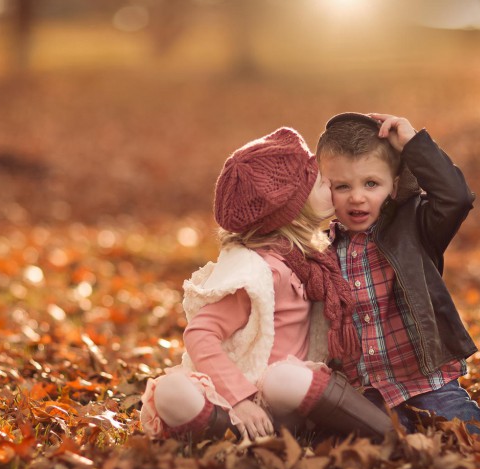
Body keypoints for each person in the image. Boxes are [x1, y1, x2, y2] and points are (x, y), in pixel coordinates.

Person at [316, 112, 480, 448]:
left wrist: (414, 145)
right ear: (325, 189)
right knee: (382, 443)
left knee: (469, 436)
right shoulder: (320, 248)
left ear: (394, 184)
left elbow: (456, 198)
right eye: (343, 186)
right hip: (366, 388)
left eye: (371, 183)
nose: (357, 197)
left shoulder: (414, 226)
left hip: (426, 380)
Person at [140, 127, 391, 442]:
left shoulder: (312, 260)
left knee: (283, 379)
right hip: (241, 393)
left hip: (289, 395)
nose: (330, 182)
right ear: (291, 210)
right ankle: (238, 431)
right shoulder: (258, 273)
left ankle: (385, 432)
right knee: (172, 391)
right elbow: (200, 334)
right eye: (319, 181)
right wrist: (241, 400)